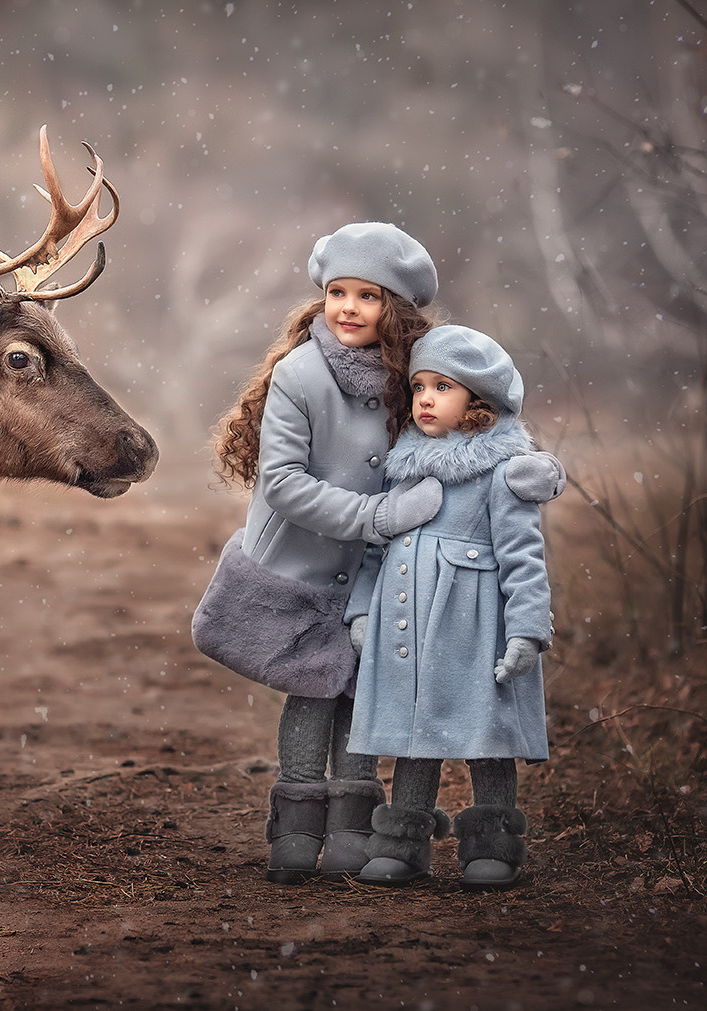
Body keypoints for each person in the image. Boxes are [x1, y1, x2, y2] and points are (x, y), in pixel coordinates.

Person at [208, 221, 447, 883]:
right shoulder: (300, 375)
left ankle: (351, 825)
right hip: (303, 568)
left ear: (393, 310)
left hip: (376, 574)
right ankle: (297, 825)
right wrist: (375, 514)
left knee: (364, 694)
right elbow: (282, 483)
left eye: (367, 295)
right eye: (337, 291)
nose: (347, 306)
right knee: (313, 691)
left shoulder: (418, 379)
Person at [345, 324, 553, 891]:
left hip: (474, 625)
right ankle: (401, 844)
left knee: (486, 734)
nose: (426, 399)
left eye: (443, 386)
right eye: (418, 387)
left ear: (479, 402)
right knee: (416, 735)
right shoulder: (403, 464)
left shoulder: (502, 471)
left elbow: (524, 559)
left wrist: (527, 632)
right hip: (408, 627)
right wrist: (362, 611)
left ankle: (493, 845)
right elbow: (375, 547)